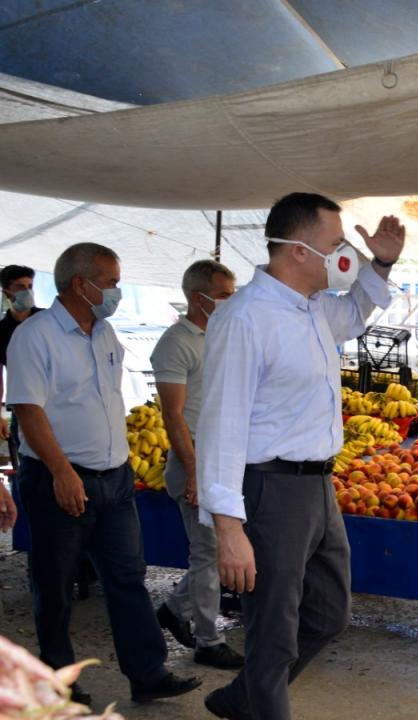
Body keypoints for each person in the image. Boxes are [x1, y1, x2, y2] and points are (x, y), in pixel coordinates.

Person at [199, 192, 403, 720]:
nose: (344, 256)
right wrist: (228, 527)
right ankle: (260, 700)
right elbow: (220, 426)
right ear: (296, 251)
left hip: (316, 486)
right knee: (272, 631)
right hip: (268, 490)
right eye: (335, 245)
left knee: (330, 614)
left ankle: (243, 696)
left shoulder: (312, 309)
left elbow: (357, 311)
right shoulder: (245, 319)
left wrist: (380, 263)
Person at [7, 243, 201, 705]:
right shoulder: (35, 336)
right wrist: (61, 472)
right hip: (60, 479)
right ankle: (58, 683)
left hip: (114, 479)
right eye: (111, 282)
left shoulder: (106, 333)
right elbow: (28, 411)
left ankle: (147, 673)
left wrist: (121, 458)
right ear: (81, 283)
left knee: (128, 577)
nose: (116, 290)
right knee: (54, 587)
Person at [150, 259, 244, 669]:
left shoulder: (226, 335)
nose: (231, 301)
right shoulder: (176, 343)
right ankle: (208, 640)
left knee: (218, 550)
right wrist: (192, 470)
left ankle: (173, 609)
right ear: (197, 297)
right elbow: (173, 414)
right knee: (207, 552)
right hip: (197, 458)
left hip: (227, 457)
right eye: (224, 294)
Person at [1, 264, 42, 462]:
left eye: (30, 286)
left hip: (59, 401)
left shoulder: (48, 319)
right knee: (29, 459)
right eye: (20, 287)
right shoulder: (2, 330)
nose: (27, 291)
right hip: (24, 406)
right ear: (7, 292)